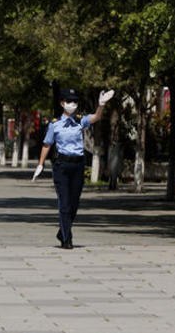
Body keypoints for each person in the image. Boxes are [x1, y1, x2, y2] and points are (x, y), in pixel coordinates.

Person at [32, 87, 114, 249]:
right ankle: (67, 238)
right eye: (69, 101)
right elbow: (47, 144)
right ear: (62, 103)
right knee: (64, 203)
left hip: (78, 165)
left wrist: (101, 104)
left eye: (75, 101)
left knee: (74, 204)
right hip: (61, 166)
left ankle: (62, 230)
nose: (72, 104)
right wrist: (40, 164)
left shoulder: (79, 121)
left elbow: (97, 117)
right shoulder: (55, 125)